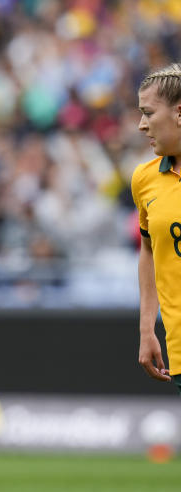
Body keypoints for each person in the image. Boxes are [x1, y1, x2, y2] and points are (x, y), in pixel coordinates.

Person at [134, 62, 181, 393]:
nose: (141, 125)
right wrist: (147, 329)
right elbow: (149, 250)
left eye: (148, 113)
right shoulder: (145, 179)